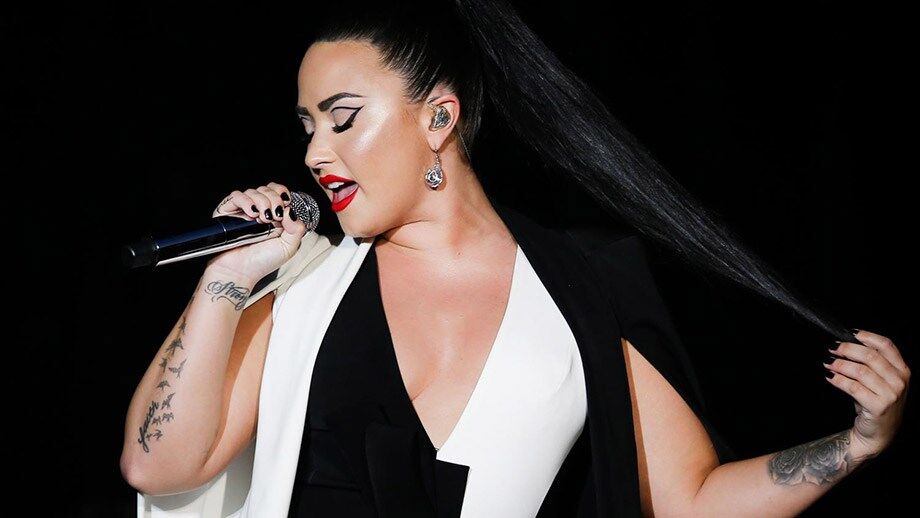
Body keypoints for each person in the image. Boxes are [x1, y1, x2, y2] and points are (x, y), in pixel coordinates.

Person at [120, 1, 910, 516]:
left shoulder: (582, 286)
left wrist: (859, 445)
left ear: (438, 118)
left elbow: (691, 501)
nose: (314, 153)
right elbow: (160, 467)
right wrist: (227, 277)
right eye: (307, 127)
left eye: (343, 118)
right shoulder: (306, 285)